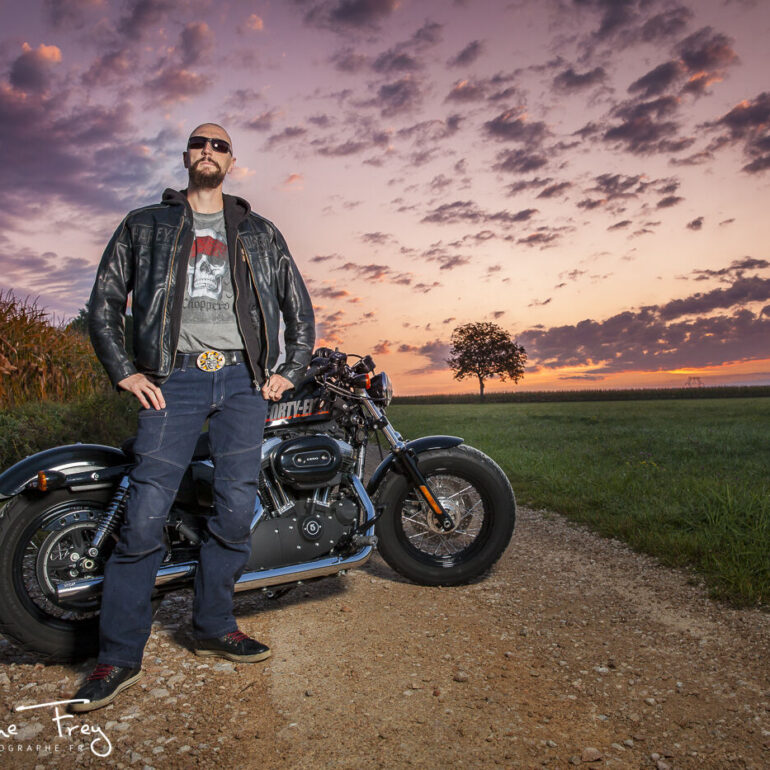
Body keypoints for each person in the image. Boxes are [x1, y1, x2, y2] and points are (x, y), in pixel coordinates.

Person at [71, 122, 315, 712]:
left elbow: (299, 309)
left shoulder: (259, 232)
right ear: (186, 156)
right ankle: (118, 656)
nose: (209, 150)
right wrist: (124, 371)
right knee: (144, 515)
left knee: (234, 510)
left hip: (242, 382)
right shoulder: (145, 225)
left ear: (232, 160)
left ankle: (213, 625)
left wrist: (289, 369)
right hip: (171, 380)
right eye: (200, 143)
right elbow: (105, 302)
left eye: (219, 145)